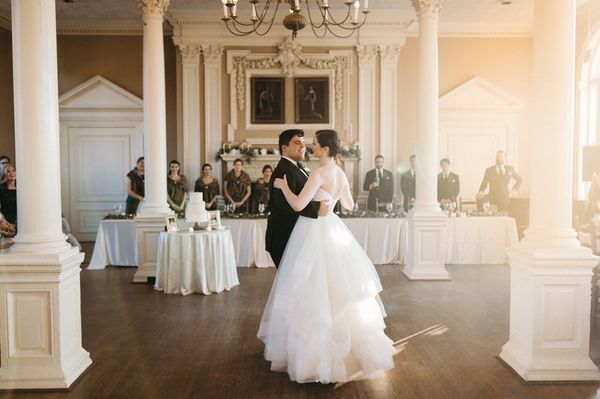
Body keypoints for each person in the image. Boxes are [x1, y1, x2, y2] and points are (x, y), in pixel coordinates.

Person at [258, 129, 395, 384]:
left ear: (326, 149)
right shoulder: (340, 173)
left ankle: (313, 352)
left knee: (312, 288)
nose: (310, 147)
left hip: (313, 232)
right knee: (336, 286)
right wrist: (330, 202)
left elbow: (298, 205)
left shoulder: (319, 173)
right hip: (333, 226)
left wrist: (284, 186)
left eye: (314, 144)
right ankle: (349, 349)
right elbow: (351, 205)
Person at [266, 129, 326, 267]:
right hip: (284, 237)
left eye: (304, 143)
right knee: (290, 284)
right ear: (285, 148)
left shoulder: (296, 168)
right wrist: (317, 208)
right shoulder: (283, 170)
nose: (303, 146)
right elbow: (285, 204)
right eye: (297, 143)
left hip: (295, 236)